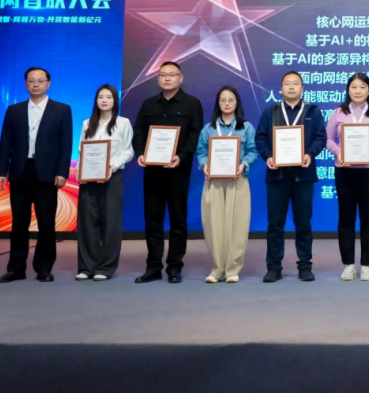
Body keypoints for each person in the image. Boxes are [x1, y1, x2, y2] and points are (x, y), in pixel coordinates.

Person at [0, 67, 73, 283]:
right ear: (26, 84)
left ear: (48, 84)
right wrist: (1, 171)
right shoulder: (14, 110)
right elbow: (5, 143)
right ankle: (16, 269)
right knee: (19, 223)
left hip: (47, 173)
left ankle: (44, 268)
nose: (36, 84)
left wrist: (62, 172)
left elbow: (65, 144)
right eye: (31, 80)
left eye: (40, 80)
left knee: (46, 223)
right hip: (20, 172)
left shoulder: (62, 110)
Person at [132, 61, 204, 284]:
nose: (167, 78)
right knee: (152, 219)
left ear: (181, 78)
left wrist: (181, 156)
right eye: (163, 75)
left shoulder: (192, 104)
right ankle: (153, 267)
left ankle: (174, 266)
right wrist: (140, 153)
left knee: (177, 219)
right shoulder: (148, 104)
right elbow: (139, 131)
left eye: (172, 75)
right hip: (152, 171)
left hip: (178, 171)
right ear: (158, 78)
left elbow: (195, 134)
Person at [255, 71, 327, 282]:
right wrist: (268, 156)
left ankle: (305, 266)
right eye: (287, 83)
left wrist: (309, 154)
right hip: (277, 176)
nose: (292, 87)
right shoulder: (271, 111)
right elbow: (260, 138)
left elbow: (320, 137)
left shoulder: (312, 111)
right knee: (275, 224)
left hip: (303, 176)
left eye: (296, 83)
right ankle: (273, 267)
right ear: (281, 88)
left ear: (302, 88)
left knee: (303, 223)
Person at [325, 73, 369, 281]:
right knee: (346, 217)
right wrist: (339, 152)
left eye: (362, 87)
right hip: (345, 170)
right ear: (348, 90)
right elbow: (328, 139)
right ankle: (348, 264)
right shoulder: (338, 112)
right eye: (354, 87)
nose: (358, 91)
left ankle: (367, 264)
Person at [196, 86, 259, 283]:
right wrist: (205, 165)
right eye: (223, 100)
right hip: (214, 182)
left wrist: (243, 164)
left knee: (238, 225)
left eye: (231, 100)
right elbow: (201, 151)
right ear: (218, 103)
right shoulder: (208, 129)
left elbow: (253, 151)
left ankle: (232, 269)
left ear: (237, 103)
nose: (227, 104)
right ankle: (217, 269)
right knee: (214, 225)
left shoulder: (246, 127)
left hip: (238, 180)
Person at [75, 84, 134, 281]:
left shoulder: (123, 123)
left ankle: (105, 267)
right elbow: (82, 149)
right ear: (96, 100)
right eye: (101, 97)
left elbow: (128, 150)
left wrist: (113, 167)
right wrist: (80, 169)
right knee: (87, 222)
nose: (104, 100)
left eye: (109, 97)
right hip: (88, 178)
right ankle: (86, 267)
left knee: (110, 223)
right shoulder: (87, 123)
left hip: (111, 177)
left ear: (115, 101)